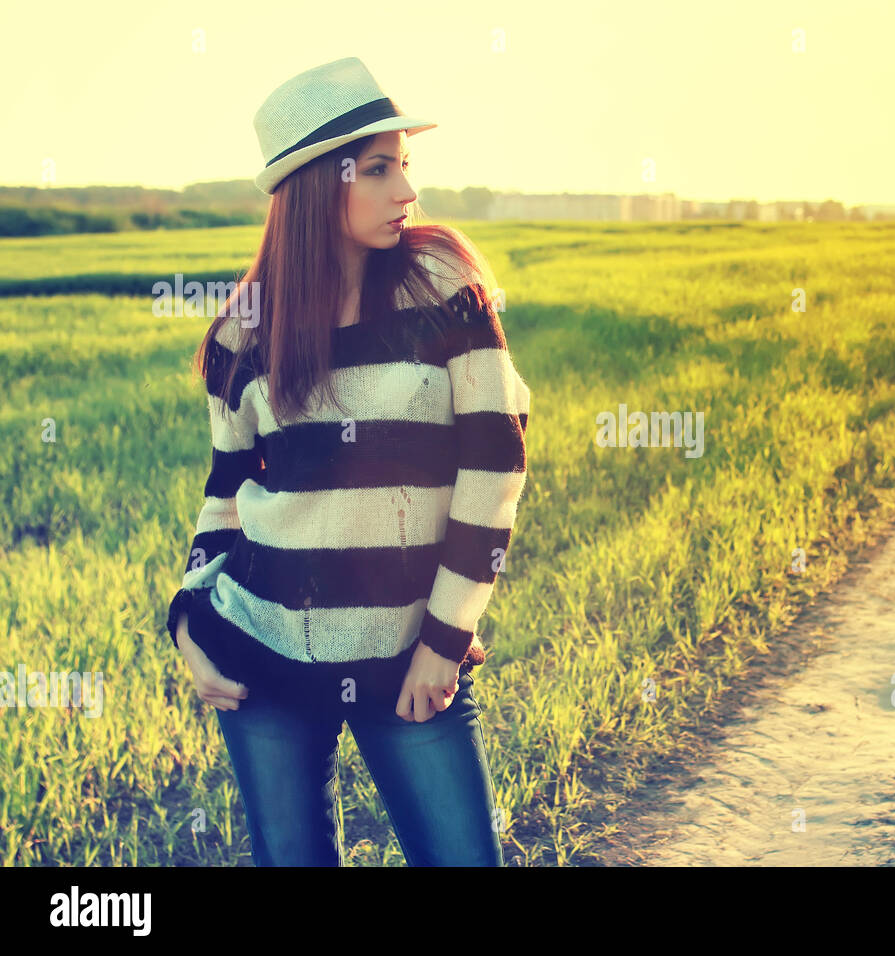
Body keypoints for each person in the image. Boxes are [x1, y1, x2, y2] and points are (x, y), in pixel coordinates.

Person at [164, 57, 530, 866]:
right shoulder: (244, 333)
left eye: (405, 165)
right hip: (261, 650)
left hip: (410, 656)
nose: (406, 191)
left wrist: (443, 639)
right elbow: (225, 499)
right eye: (378, 169)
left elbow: (496, 458)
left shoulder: (444, 285)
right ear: (311, 188)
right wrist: (189, 619)